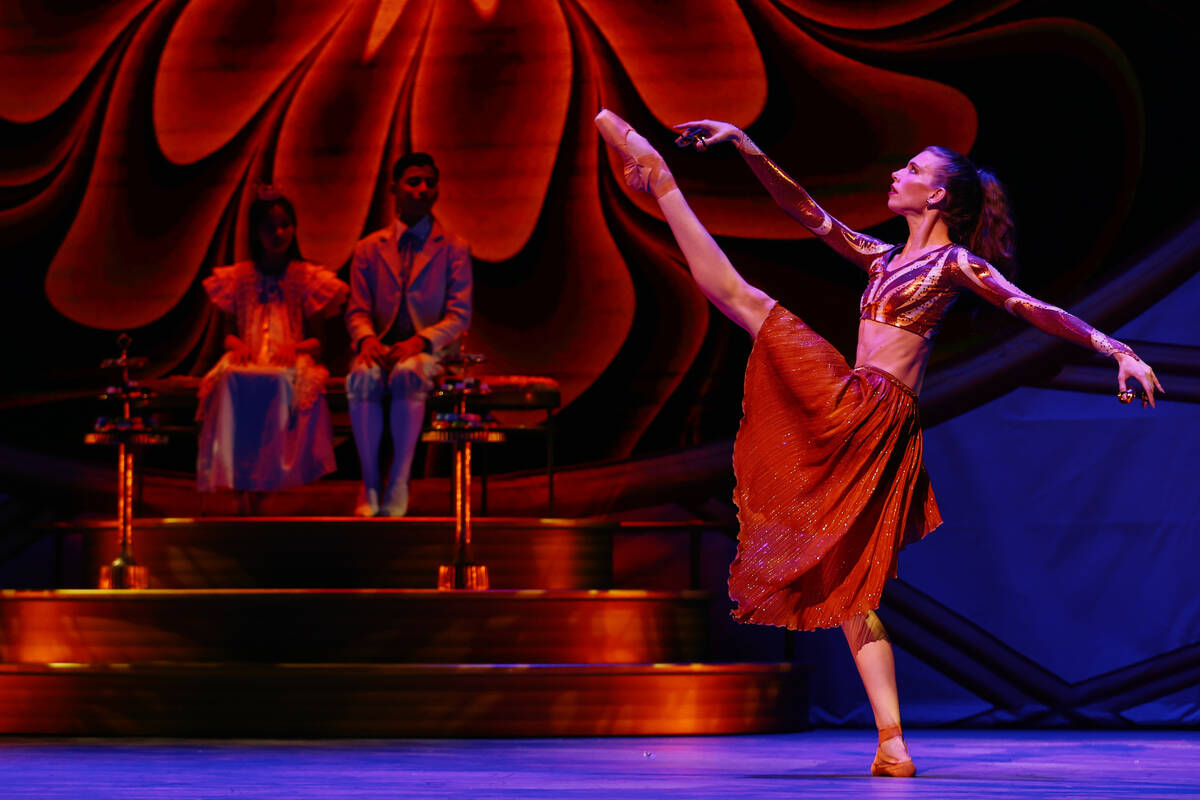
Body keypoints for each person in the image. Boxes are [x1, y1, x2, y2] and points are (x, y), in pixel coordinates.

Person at [594, 109, 1162, 777]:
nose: (898, 173)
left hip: (870, 412)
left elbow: (1028, 306)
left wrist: (1115, 348)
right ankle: (893, 744)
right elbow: (805, 211)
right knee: (850, 587)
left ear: (938, 196)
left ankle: (661, 183)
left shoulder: (956, 263)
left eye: (913, 170)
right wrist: (747, 146)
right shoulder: (883, 258)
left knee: (742, 300)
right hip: (857, 409)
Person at [197, 188, 349, 511]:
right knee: (230, 381)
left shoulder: (305, 276)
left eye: (284, 225)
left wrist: (295, 348)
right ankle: (239, 481)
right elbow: (227, 335)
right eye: (269, 226)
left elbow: (318, 343)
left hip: (288, 360)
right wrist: (237, 345)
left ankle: (273, 484)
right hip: (250, 360)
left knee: (286, 386)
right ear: (256, 231)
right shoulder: (239, 277)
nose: (278, 233)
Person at [345, 152, 473, 517]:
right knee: (362, 376)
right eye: (413, 181)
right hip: (382, 348)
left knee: (409, 372)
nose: (422, 189)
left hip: (429, 353)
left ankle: (400, 480)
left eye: (430, 183)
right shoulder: (369, 248)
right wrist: (367, 339)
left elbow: (459, 315)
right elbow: (356, 310)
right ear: (394, 188)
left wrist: (421, 341)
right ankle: (369, 483)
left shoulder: (453, 248)